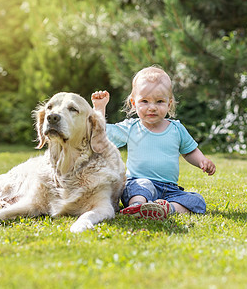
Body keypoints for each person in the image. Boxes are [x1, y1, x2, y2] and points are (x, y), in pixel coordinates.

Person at [91, 66, 216, 220]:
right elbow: (101, 133)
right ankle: (137, 206)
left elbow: (189, 151)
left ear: (169, 104)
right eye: (144, 101)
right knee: (140, 188)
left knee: (197, 201)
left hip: (170, 190)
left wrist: (202, 161)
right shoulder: (131, 127)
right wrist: (100, 108)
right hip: (138, 183)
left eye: (159, 101)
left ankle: (165, 208)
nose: (152, 107)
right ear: (134, 103)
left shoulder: (176, 129)